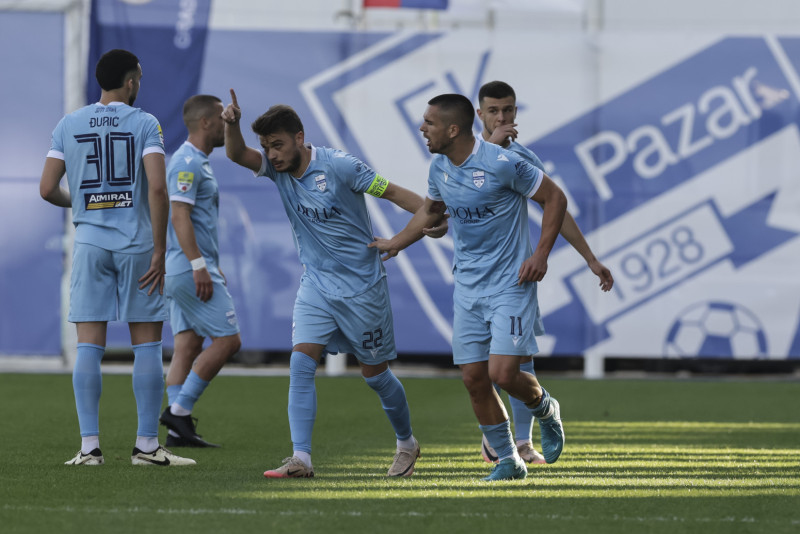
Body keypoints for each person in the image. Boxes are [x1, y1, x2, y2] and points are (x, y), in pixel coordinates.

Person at [222, 89, 446, 478]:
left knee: (376, 376)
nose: (272, 155)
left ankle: (407, 444)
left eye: (278, 145)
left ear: (299, 137)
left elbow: (393, 192)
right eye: (267, 147)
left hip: (362, 288)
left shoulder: (341, 167)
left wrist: (432, 217)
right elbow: (237, 154)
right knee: (300, 362)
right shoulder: (276, 169)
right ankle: (301, 459)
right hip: (317, 284)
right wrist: (232, 125)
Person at [370, 93, 569, 481]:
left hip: (511, 283)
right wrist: (397, 242)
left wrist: (541, 255)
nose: (422, 128)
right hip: (467, 287)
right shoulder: (439, 168)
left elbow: (555, 198)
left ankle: (546, 408)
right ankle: (509, 461)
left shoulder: (501, 162)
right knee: (474, 379)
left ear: (452, 129)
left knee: (504, 374)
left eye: (429, 122)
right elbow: (432, 211)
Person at [39, 48, 195, 467]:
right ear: (130, 82)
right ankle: (146, 447)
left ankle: (89, 448)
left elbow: (47, 189)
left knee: (89, 347)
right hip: (137, 246)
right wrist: (160, 249)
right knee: (147, 346)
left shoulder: (68, 124)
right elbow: (157, 188)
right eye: (138, 78)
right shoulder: (145, 123)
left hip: (90, 245)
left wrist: (83, 205)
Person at [476, 81, 614, 466]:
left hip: (513, 276)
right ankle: (498, 437)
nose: (502, 117)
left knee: (517, 359)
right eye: (493, 111)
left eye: (508, 110)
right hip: (471, 277)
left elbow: (555, 206)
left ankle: (519, 443)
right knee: (477, 368)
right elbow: (439, 203)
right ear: (479, 114)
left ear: (516, 112)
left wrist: (590, 258)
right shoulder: (462, 153)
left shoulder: (522, 158)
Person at [159, 95, 243, 448]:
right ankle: (178, 412)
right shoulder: (187, 162)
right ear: (206, 122)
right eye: (222, 119)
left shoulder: (196, 161)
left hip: (186, 265)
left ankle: (177, 433)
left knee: (188, 344)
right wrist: (199, 265)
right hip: (187, 267)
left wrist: (209, 261)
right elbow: (179, 216)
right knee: (229, 341)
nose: (226, 125)